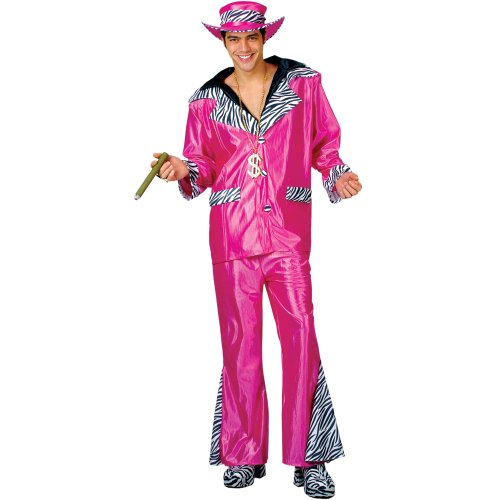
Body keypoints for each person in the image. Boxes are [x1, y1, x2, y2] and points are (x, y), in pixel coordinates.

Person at [151, 2, 362, 498]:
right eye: (234, 39)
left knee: (301, 339)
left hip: (287, 234)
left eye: (251, 38)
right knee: (240, 345)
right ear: (223, 41)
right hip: (232, 236)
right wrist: (183, 170)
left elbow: (324, 143)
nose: (243, 48)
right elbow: (202, 164)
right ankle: (243, 453)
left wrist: (337, 173)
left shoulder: (303, 84)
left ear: (265, 37)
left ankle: (310, 459)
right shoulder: (204, 101)